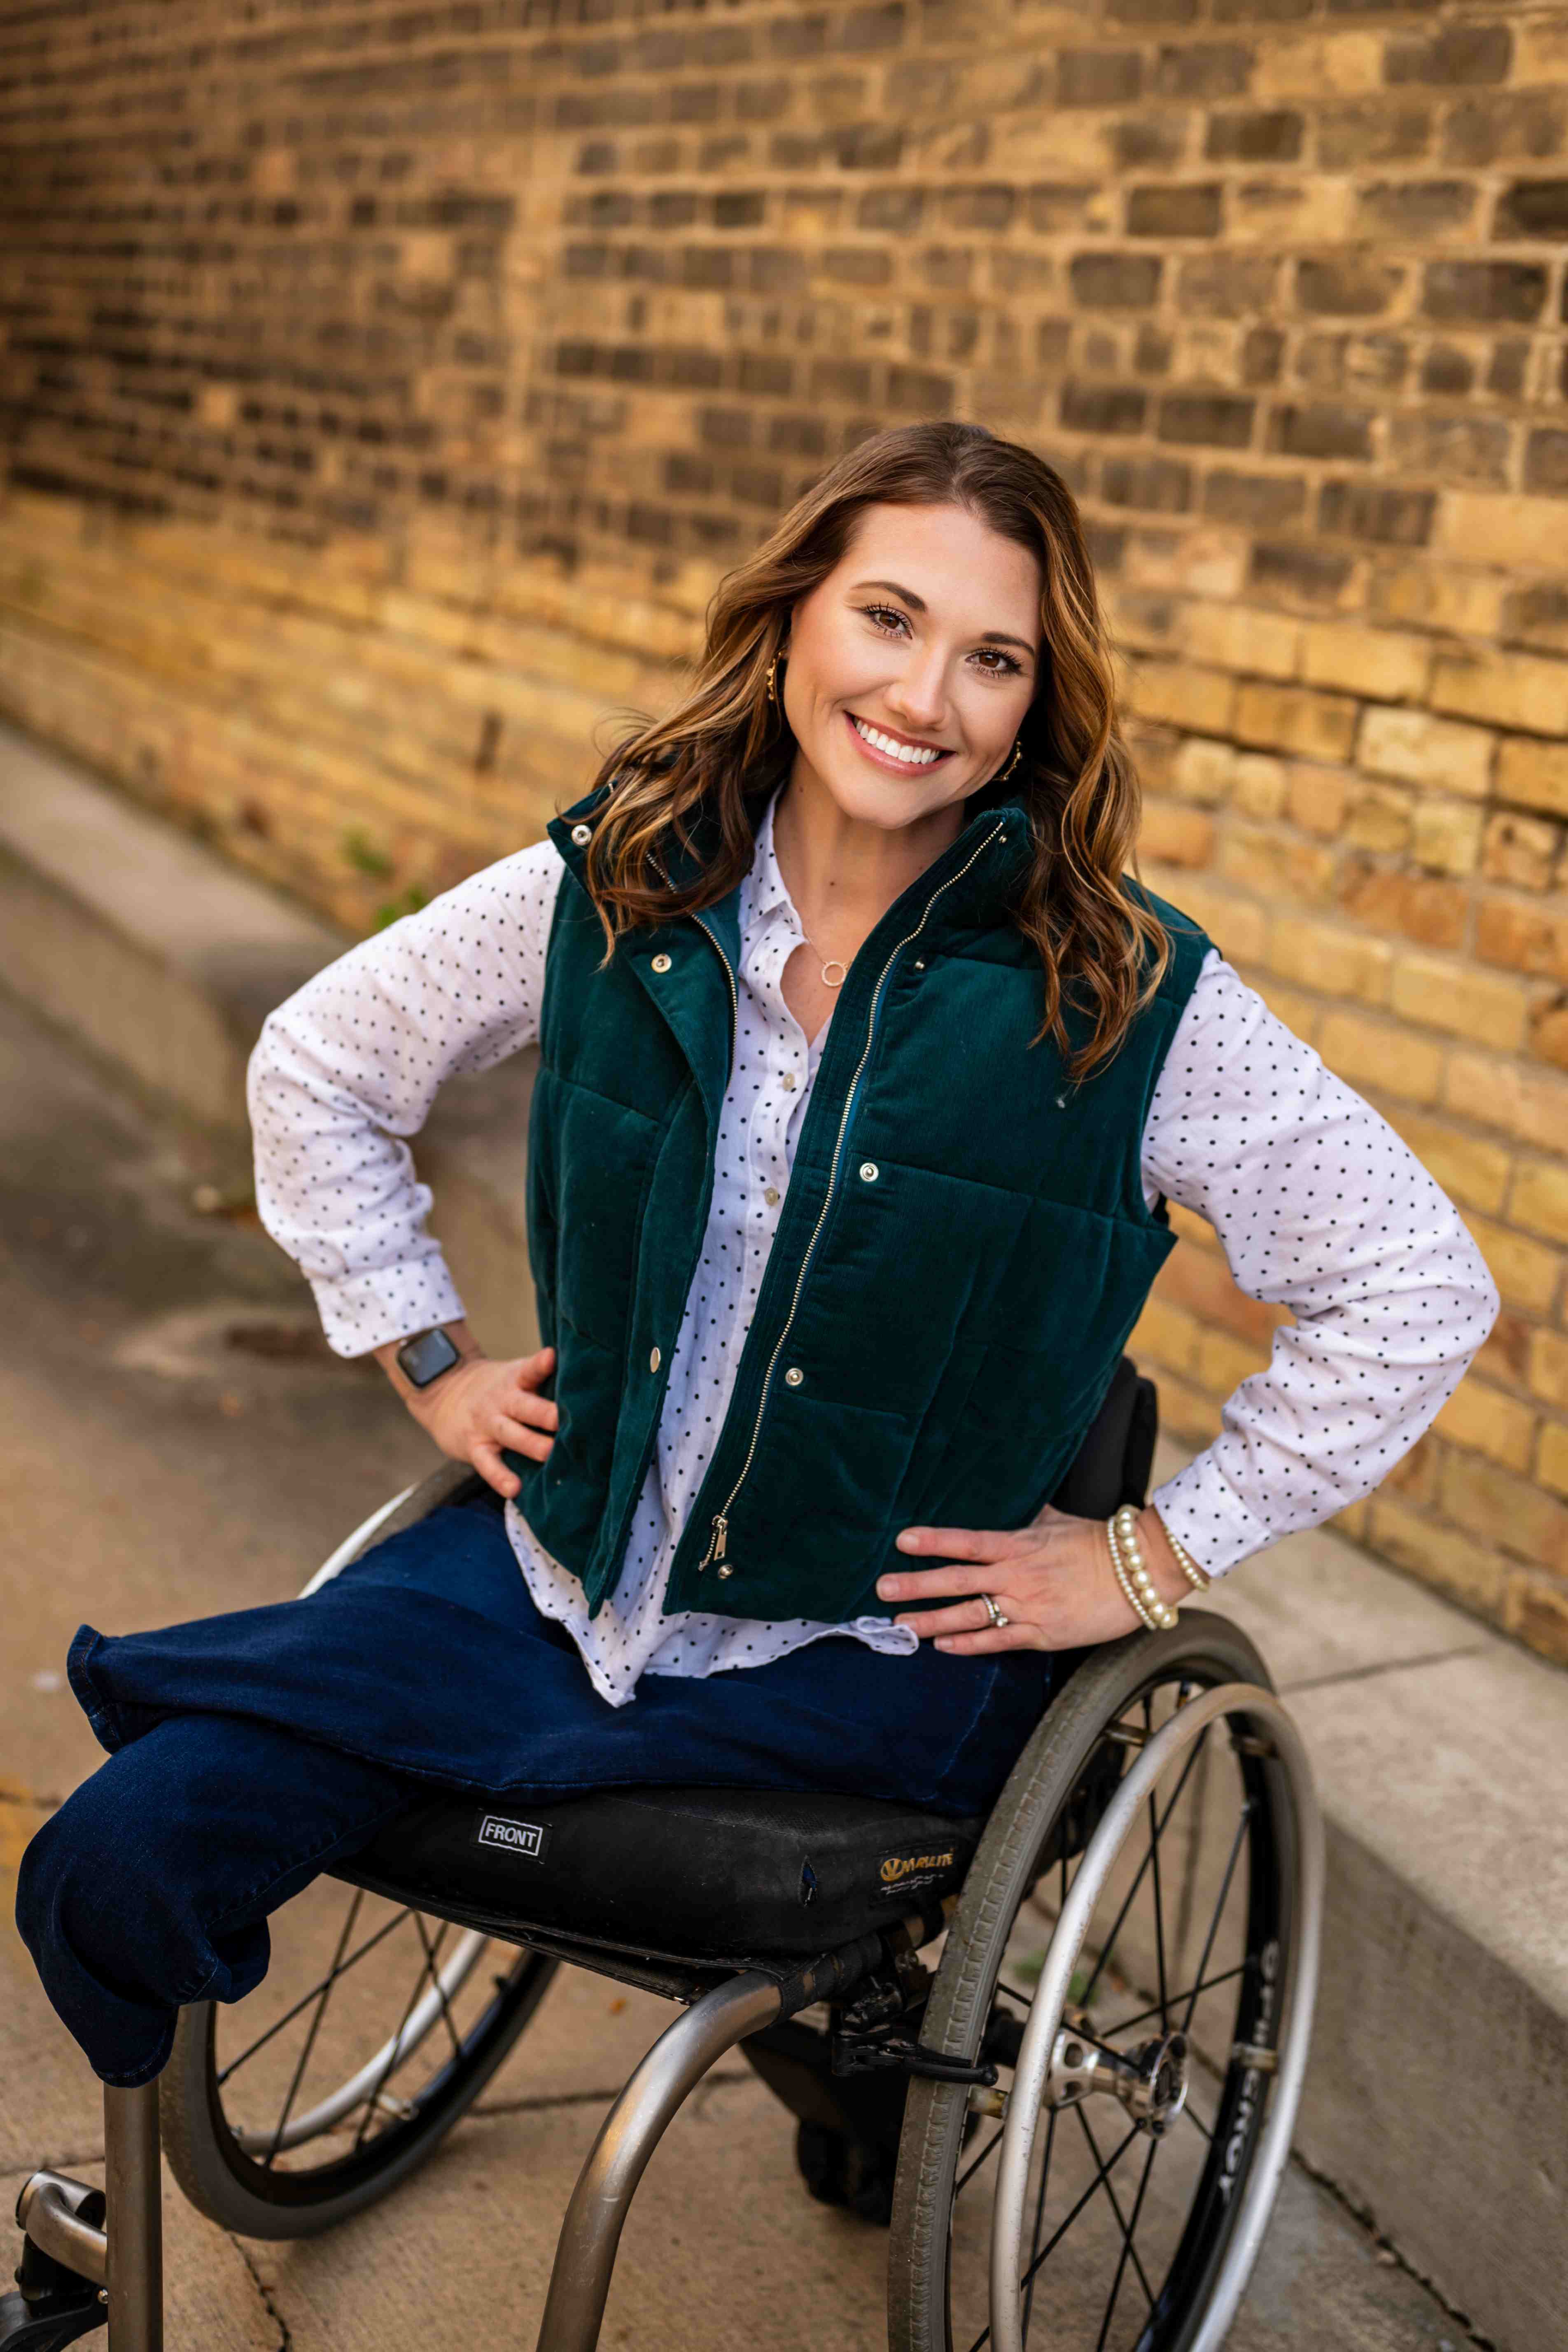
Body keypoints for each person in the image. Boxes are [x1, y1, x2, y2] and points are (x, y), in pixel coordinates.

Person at [16, 420, 1497, 2092]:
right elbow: (317, 1066)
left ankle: (845, 2076)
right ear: (794, 617)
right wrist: (424, 1356)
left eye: (992, 657)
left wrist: (1154, 1558)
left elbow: (1416, 1286)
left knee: (695, 1906)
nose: (924, 696)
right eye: (887, 618)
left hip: (866, 1662)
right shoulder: (618, 889)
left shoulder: (1125, 996)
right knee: (108, 1866)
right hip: (558, 1583)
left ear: (1037, 705)